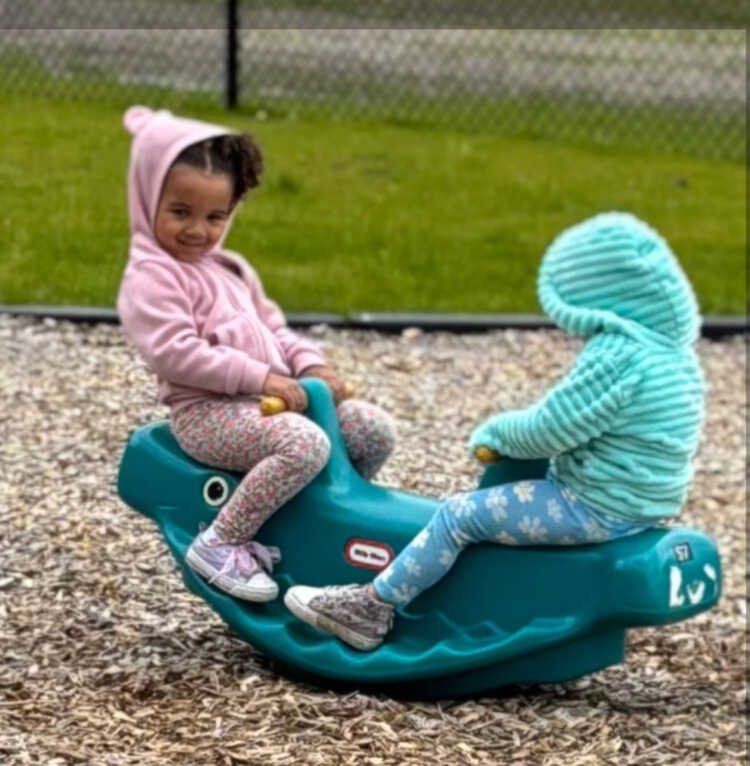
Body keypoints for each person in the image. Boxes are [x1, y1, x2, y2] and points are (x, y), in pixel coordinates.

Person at [284, 211, 706, 651]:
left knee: (459, 516)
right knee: (513, 499)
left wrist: (498, 434)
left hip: (595, 506)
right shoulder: (676, 356)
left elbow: (551, 429)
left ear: (597, 297)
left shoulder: (617, 356)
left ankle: (370, 608)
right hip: (646, 504)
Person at [117, 106, 395, 603]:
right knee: (303, 445)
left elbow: (276, 330)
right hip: (207, 412)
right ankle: (222, 542)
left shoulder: (229, 268)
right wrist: (260, 378)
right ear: (146, 198)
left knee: (371, 428)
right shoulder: (152, 275)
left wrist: (311, 365)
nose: (198, 230)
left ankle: (320, 514)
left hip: (268, 403)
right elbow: (176, 353)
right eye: (180, 212)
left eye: (215, 217)